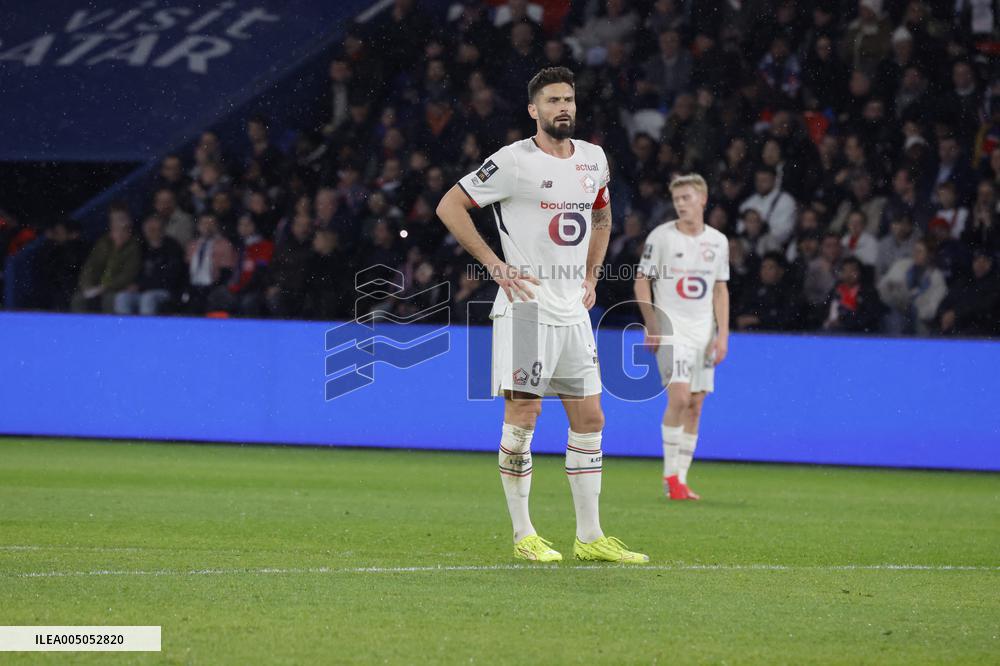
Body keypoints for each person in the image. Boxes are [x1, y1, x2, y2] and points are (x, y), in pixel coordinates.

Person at [436, 67, 648, 564]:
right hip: (526, 308)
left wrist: (593, 276)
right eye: (553, 100)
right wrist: (493, 265)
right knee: (524, 414)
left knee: (591, 416)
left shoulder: (594, 159)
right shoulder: (513, 161)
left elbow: (601, 215)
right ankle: (523, 533)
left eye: (569, 99)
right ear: (534, 110)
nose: (563, 108)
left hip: (572, 310)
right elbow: (450, 205)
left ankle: (591, 537)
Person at [634, 173, 729, 501]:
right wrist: (652, 322)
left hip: (704, 333)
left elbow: (720, 289)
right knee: (679, 399)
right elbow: (641, 281)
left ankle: (681, 479)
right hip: (671, 330)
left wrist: (722, 335)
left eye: (687, 198)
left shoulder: (718, 242)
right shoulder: (661, 238)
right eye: (677, 200)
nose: (681, 204)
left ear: (702, 199)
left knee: (696, 406)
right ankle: (670, 477)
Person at [71, 204, 142, 314]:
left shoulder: (135, 245)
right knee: (79, 298)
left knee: (109, 299)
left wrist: (103, 288)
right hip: (97, 286)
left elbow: (128, 275)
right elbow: (90, 268)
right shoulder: (103, 243)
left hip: (117, 288)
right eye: (115, 222)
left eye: (122, 221)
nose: (119, 225)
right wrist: (87, 286)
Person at [114, 215, 185, 316]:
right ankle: (124, 330)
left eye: (156, 229)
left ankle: (146, 330)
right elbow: (134, 271)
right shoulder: (141, 247)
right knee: (122, 297)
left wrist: (141, 285)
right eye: (150, 229)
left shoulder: (172, 247)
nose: (153, 232)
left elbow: (170, 278)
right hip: (142, 291)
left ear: (162, 229)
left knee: (148, 298)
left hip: (165, 291)